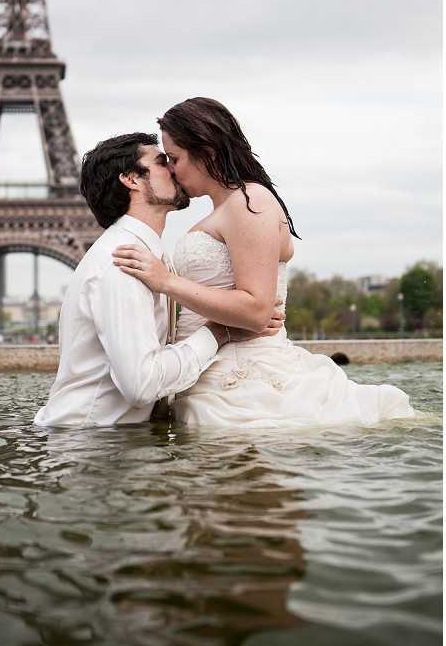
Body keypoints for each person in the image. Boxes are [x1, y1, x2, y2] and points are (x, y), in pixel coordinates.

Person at [112, 98, 415, 428]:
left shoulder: (249, 201)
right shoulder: (233, 206)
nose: (171, 169)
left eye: (175, 158)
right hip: (214, 372)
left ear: (207, 152)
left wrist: (166, 281)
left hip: (244, 378)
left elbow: (255, 310)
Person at [33, 132, 284, 427]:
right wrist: (221, 333)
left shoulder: (145, 257)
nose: (175, 169)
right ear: (132, 179)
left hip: (109, 437)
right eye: (163, 161)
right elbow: (143, 384)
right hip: (91, 441)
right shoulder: (120, 263)